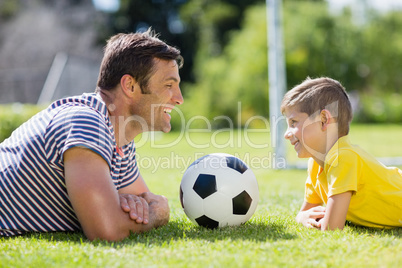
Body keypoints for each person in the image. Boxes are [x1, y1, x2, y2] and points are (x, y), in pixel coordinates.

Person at [0, 29, 184, 241]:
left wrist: (143, 207)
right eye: (168, 85)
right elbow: (108, 230)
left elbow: (142, 203)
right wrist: (159, 213)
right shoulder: (86, 122)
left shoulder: (119, 138)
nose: (179, 99)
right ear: (130, 86)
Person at [281, 77, 402, 230]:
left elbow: (331, 228)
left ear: (324, 120)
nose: (287, 134)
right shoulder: (315, 164)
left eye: (293, 123)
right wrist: (301, 217)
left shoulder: (343, 158)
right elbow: (307, 212)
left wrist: (308, 218)